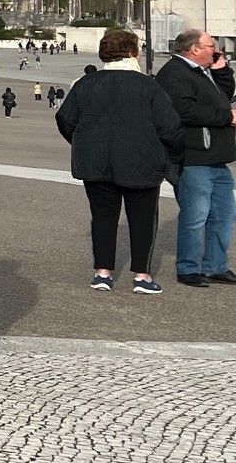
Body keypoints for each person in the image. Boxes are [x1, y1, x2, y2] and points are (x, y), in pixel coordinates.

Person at [58, 28, 184, 293]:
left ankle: (102, 273)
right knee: (143, 220)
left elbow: (66, 120)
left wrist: (85, 144)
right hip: (141, 161)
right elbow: (170, 127)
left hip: (96, 162)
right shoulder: (148, 85)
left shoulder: (86, 83)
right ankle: (142, 276)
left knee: (103, 218)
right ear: (132, 52)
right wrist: (169, 155)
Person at [156, 28, 236, 288]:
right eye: (210, 46)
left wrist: (222, 68)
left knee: (223, 215)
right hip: (194, 157)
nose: (215, 49)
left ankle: (215, 266)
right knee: (195, 216)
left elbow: (223, 97)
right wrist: (227, 117)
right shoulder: (174, 73)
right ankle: (188, 268)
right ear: (194, 49)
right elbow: (184, 111)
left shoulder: (202, 71)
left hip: (217, 157)